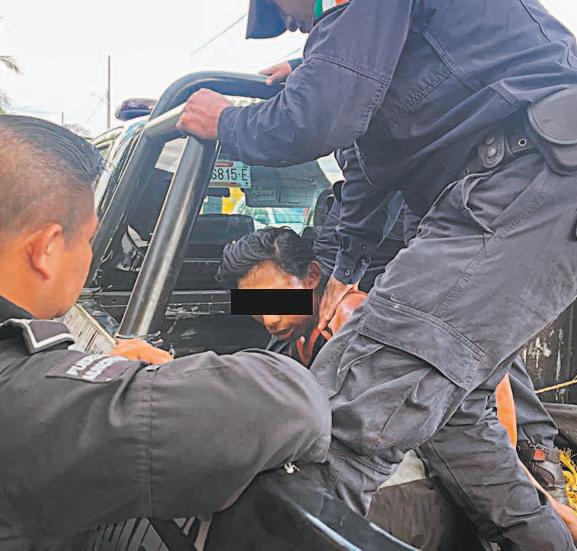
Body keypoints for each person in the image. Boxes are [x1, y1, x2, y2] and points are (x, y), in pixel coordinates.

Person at [178, 0, 577, 547]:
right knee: (457, 424)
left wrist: (228, 122)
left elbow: (317, 118)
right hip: (500, 190)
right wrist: (348, 269)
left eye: (280, 10)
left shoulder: (322, 300)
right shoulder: (294, 309)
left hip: (524, 177)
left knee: (332, 429)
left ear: (308, 276)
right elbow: (363, 166)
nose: (291, 23)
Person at [0, 115, 331, 550]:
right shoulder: (10, 400)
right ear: (46, 250)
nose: (268, 319)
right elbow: (292, 402)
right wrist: (169, 377)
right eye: (88, 240)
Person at [217, 226, 577, 547]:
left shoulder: (353, 321)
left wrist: (533, 492)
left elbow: (480, 410)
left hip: (430, 471)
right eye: (255, 310)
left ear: (312, 275)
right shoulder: (296, 338)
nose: (269, 319)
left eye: (274, 299)